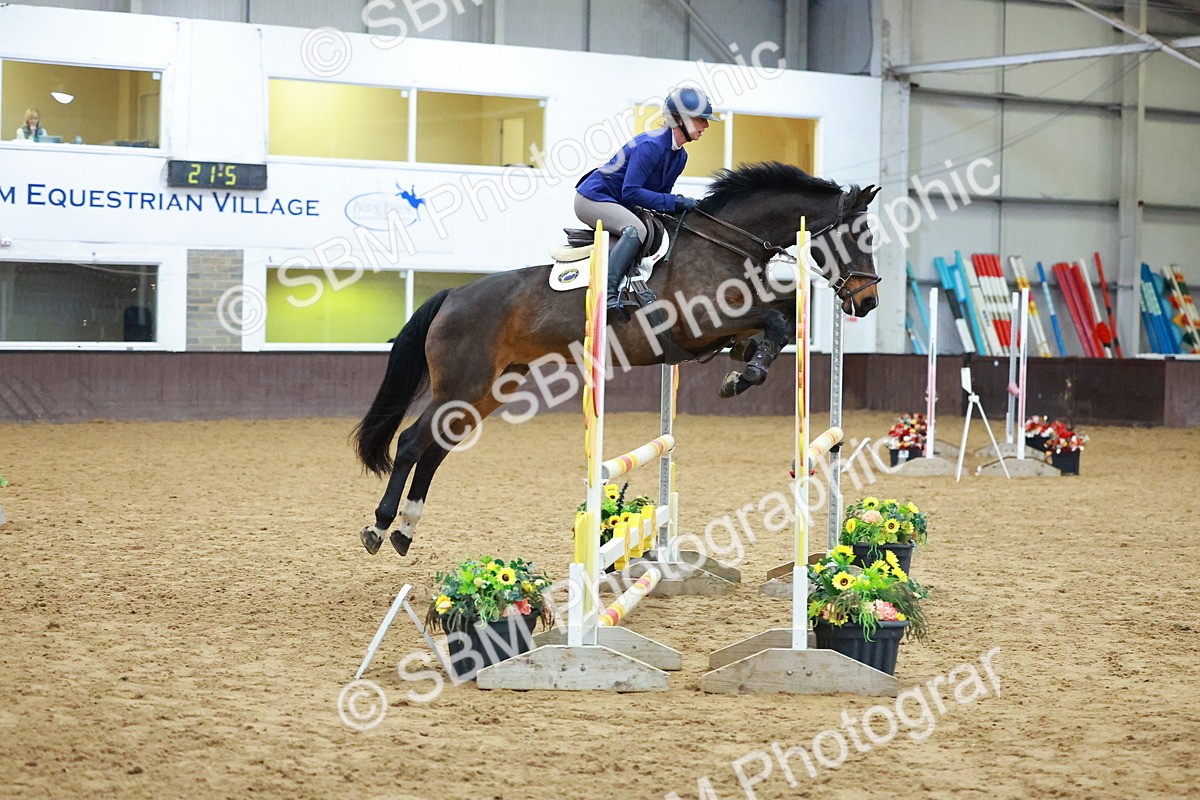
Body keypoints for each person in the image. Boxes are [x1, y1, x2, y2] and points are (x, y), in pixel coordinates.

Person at [575, 86, 719, 319]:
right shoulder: (650, 145)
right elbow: (631, 192)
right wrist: (676, 201)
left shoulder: (680, 156)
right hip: (593, 199)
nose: (706, 125)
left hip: (621, 203)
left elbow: (659, 199)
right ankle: (607, 295)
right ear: (680, 120)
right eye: (701, 119)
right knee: (636, 230)